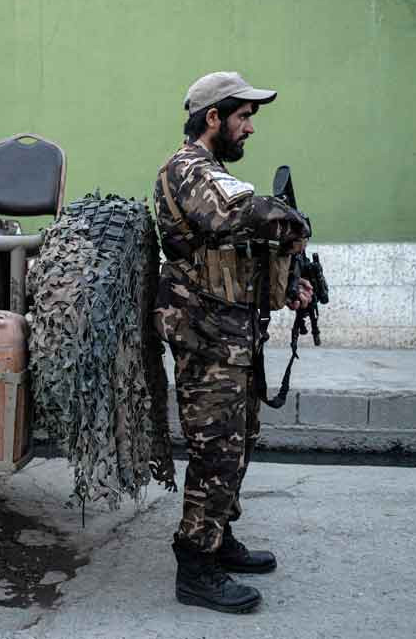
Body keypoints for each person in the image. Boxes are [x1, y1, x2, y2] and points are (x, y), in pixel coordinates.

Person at [152, 71, 314, 614]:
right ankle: (195, 566)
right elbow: (237, 212)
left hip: (233, 335)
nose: (249, 128)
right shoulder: (187, 170)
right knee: (214, 451)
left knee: (238, 442)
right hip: (205, 338)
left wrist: (291, 283)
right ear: (213, 118)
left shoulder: (215, 171)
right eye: (242, 117)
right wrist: (289, 219)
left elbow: (242, 246)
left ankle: (218, 538)